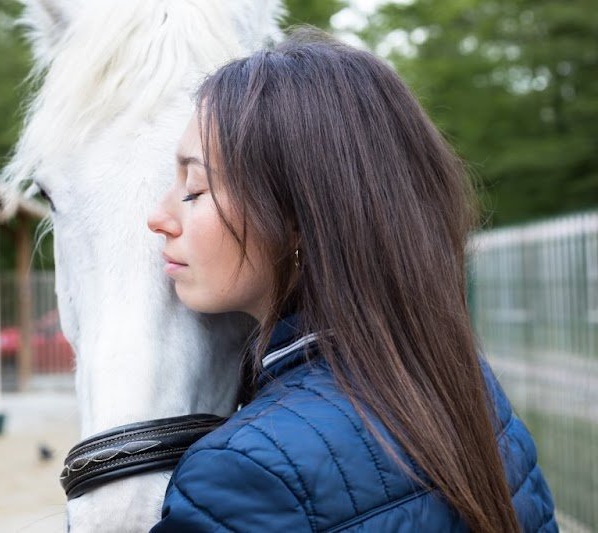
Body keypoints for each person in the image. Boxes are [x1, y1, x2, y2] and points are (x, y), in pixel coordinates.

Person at [146, 28, 557, 532]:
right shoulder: (467, 388)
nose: (159, 216)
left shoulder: (243, 474)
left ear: (296, 218)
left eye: (194, 188)